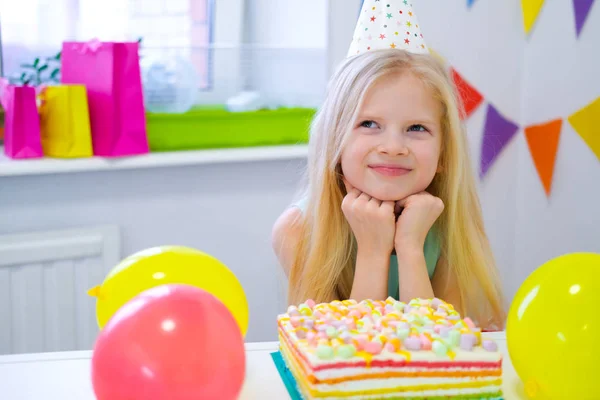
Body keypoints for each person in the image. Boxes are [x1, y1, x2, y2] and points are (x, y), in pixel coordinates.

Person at [272, 0, 505, 329]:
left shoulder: (452, 228)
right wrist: (372, 250)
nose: (394, 147)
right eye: (368, 124)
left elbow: (435, 349)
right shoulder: (297, 231)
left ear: (443, 155)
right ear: (334, 141)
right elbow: (342, 356)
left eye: (416, 128)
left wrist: (410, 247)